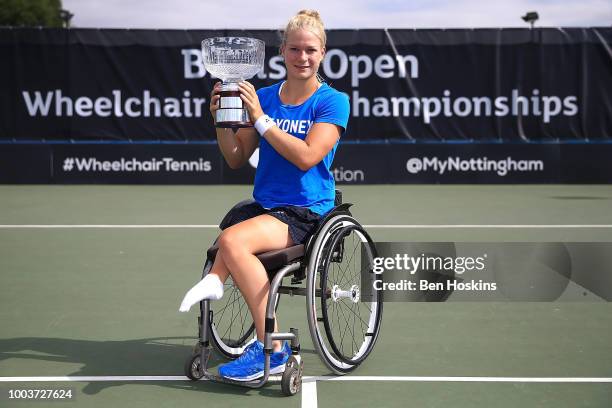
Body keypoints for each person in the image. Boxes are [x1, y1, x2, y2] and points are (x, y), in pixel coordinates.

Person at [179, 9, 349, 381]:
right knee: (232, 237)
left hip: (306, 212)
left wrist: (260, 119)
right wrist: (222, 122)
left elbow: (306, 157)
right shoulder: (266, 96)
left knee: (232, 241)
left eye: (310, 50)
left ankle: (270, 345)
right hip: (265, 207)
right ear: (282, 51)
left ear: (322, 53)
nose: (302, 58)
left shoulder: (333, 102)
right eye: (294, 50)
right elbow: (236, 157)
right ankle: (220, 285)